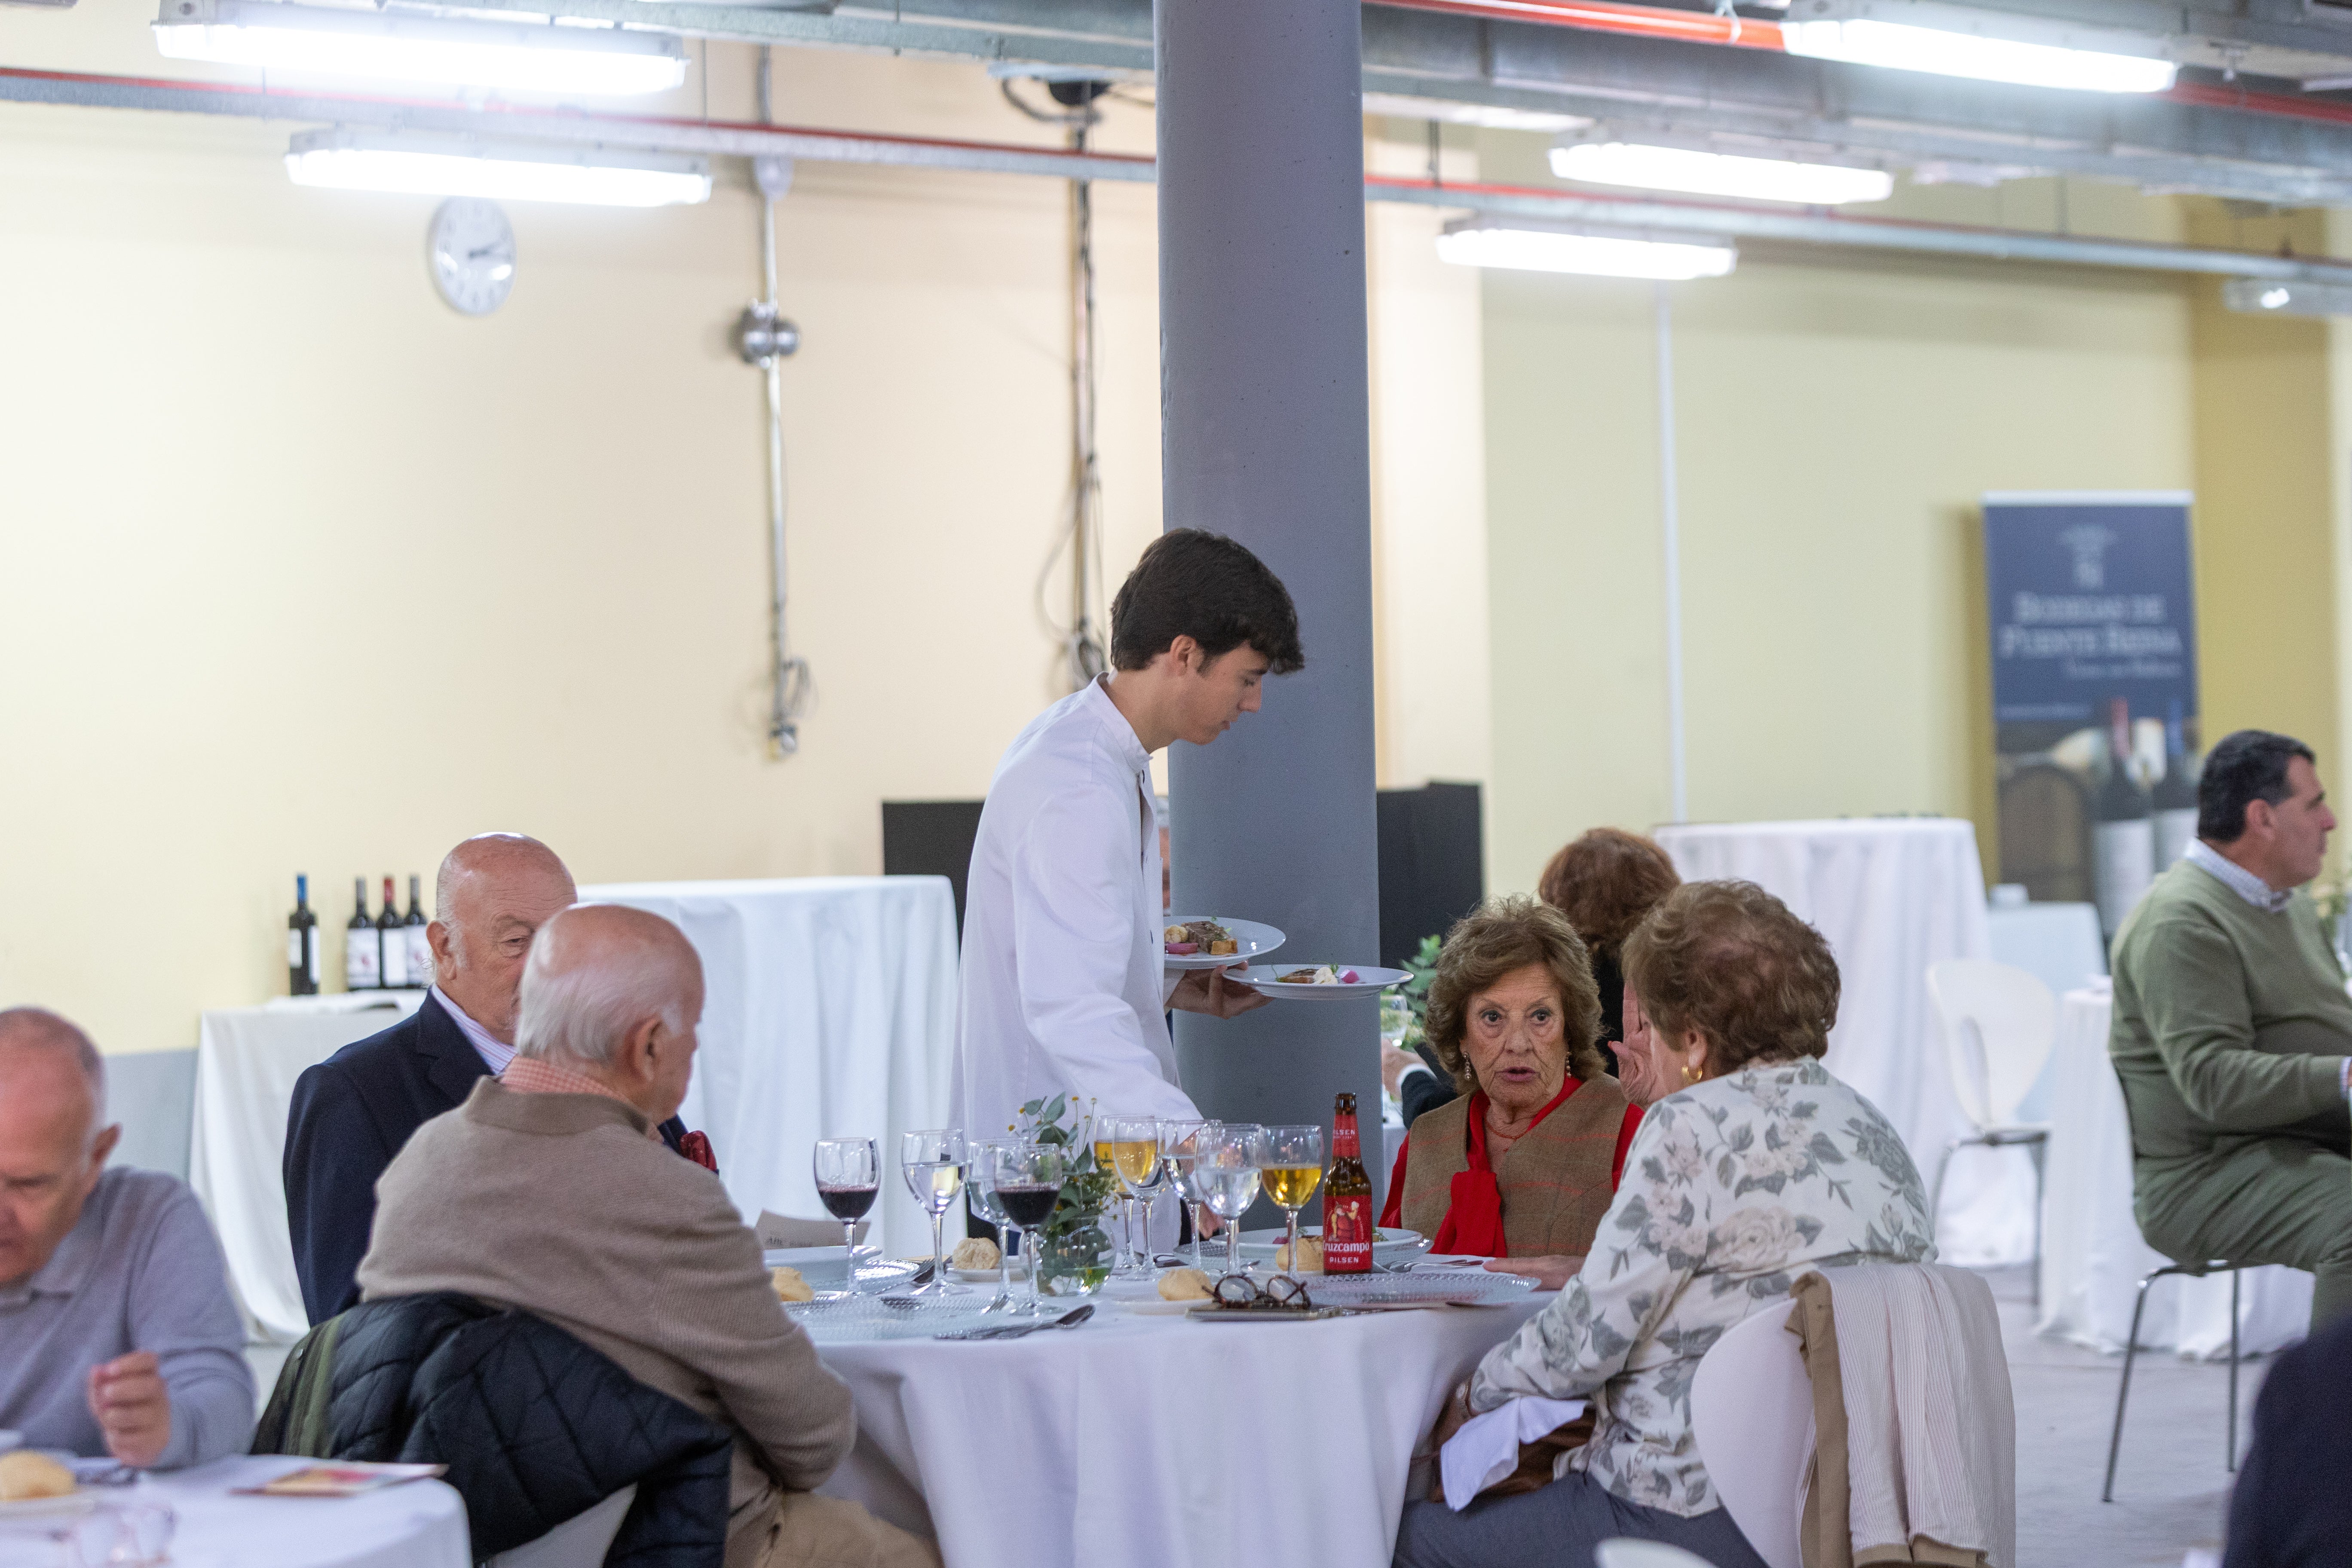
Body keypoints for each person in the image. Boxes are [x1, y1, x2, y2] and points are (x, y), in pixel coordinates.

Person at [359, 905, 935, 1568]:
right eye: (694, 1029)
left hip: (465, 1539)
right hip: (674, 1540)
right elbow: (815, 1437)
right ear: (649, 1044)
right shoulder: (661, 1193)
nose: (694, 1047)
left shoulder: (421, 1160)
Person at [1392, 880, 1935, 1568]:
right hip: (1836, 1508)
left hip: (1684, 1506)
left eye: (1649, 1020)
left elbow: (1583, 1347)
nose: (1634, 1038)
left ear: (1695, 1037)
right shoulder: (1873, 1129)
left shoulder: (1690, 1128)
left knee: (1403, 1540)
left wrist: (1472, 1397)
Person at [954, 529, 1302, 1146]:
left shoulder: (1088, 745)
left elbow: (1064, 952)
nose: (1253, 704)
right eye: (1247, 678)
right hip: (1060, 1164)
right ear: (1186, 655)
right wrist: (1191, 1144)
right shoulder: (1078, 784)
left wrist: (1170, 984)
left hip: (1078, 1146)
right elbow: (1071, 1009)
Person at [285, 833, 692, 1326]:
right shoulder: (354, 1094)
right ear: (445, 947)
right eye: (517, 943)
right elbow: (347, 1334)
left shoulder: (617, 1070)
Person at [2110, 728, 2352, 1329]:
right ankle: (2327, 1422)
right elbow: (2215, 1084)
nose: (2330, 823)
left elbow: (2324, 1025)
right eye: (2315, 804)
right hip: (2207, 1173)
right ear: (2263, 818)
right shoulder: (2180, 922)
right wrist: (2343, 1076)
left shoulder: (2285, 901)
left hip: (2303, 1138)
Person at [0, 1008, 253, 1468]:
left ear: (95, 1158)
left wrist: (168, 1428)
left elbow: (221, 1397)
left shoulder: (148, 1221)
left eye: (28, 1185)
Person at [1379, 898, 1641, 1264]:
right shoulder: (1426, 1138)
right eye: (1492, 1017)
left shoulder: (1628, 1124)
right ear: (1461, 1036)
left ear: (1570, 1029)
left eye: (1540, 1016)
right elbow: (1386, 1271)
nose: (1517, 1043)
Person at [1385, 828, 1680, 1125]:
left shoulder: (1568, 987)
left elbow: (1448, 1123)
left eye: (1540, 1017)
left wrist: (1409, 1075)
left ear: (1562, 905)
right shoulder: (1673, 988)